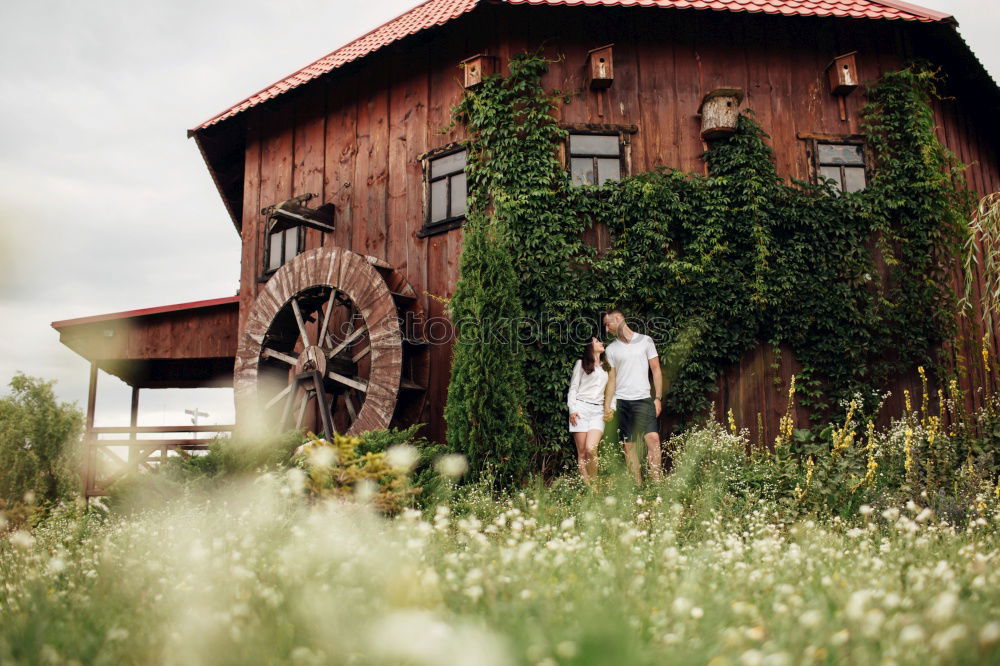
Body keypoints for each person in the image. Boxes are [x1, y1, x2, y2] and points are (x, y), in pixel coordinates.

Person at [602, 310, 663, 483]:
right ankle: (638, 487)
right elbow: (612, 379)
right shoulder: (611, 349)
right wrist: (607, 405)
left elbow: (656, 369)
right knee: (629, 447)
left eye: (608, 324)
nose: (606, 329)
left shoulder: (645, 341)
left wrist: (658, 397)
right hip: (623, 402)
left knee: (653, 439)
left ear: (619, 319)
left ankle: (656, 485)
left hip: (644, 399)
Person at [567, 336, 616, 483]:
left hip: (598, 412)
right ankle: (589, 490)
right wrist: (572, 409)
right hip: (580, 409)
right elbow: (573, 389)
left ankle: (594, 483)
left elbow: (611, 391)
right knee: (582, 453)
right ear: (590, 346)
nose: (601, 343)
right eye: (597, 341)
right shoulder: (581, 364)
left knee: (591, 449)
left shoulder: (607, 367)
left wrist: (612, 408)